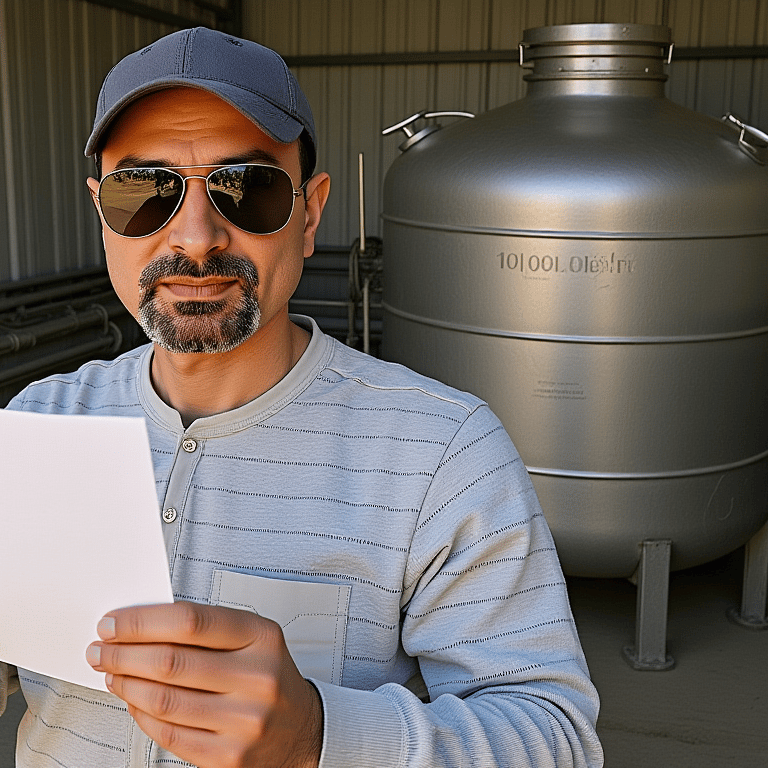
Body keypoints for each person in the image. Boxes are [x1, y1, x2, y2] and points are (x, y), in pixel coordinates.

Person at [0, 27, 603, 768]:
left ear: (310, 214)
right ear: (101, 212)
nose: (195, 236)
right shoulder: (38, 425)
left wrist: (319, 735)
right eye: (145, 190)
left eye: (246, 189)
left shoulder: (442, 454)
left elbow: (557, 738)